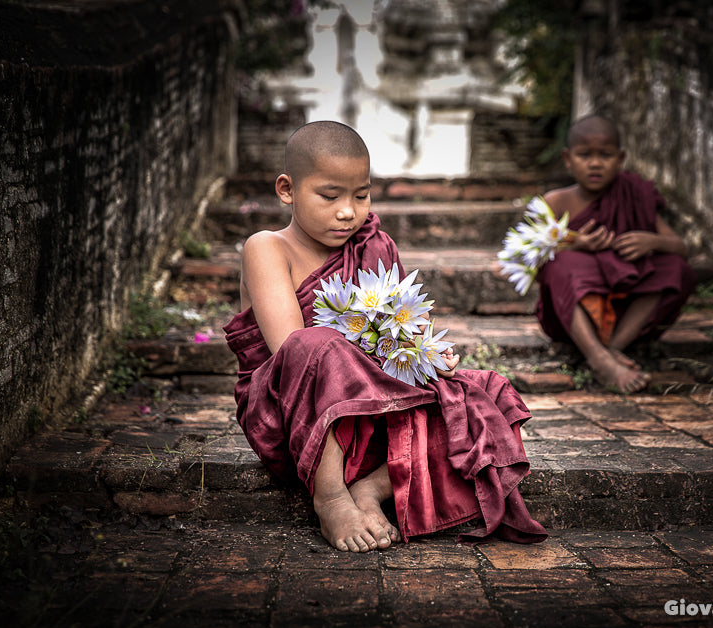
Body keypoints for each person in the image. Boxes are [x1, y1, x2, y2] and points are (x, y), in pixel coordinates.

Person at [223, 120, 546, 553]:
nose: (348, 212)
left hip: (373, 412)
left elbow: (405, 330)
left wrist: (428, 355)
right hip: (296, 418)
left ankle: (371, 489)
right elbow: (290, 352)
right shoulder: (267, 248)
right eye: (330, 196)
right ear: (287, 190)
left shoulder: (375, 245)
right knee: (316, 345)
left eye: (361, 195)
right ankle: (332, 496)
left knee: (483, 395)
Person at [535, 114, 696, 393]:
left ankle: (611, 349)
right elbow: (530, 259)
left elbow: (681, 248)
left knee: (674, 268)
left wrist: (652, 241)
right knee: (557, 262)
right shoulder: (556, 202)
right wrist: (574, 243)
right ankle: (597, 357)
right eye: (585, 155)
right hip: (571, 316)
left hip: (625, 311)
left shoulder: (632, 194)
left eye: (605, 155)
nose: (595, 163)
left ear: (620, 159)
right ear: (568, 158)